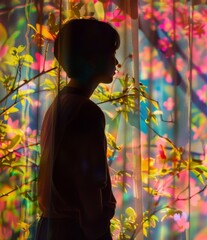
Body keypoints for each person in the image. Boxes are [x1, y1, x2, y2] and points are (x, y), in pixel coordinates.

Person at [36, 18, 120, 240]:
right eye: (110, 54)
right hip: (76, 232)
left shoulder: (59, 105)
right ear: (92, 59)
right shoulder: (86, 112)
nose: (116, 62)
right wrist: (98, 229)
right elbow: (89, 185)